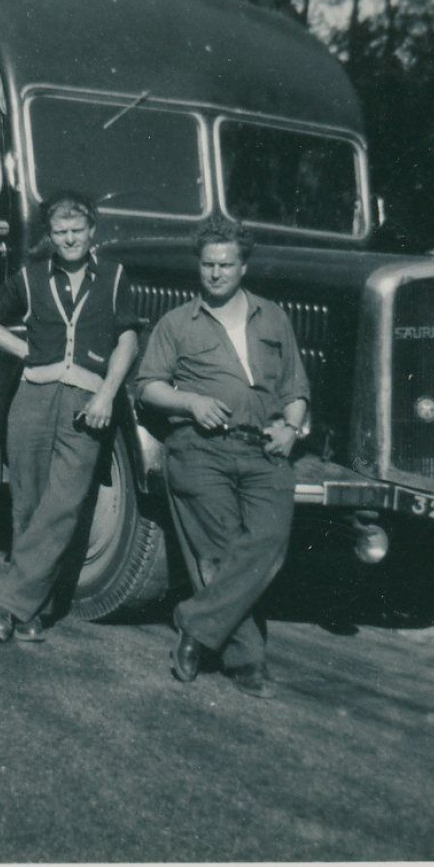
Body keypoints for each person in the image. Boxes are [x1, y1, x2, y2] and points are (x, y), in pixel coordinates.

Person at [136, 217, 310, 699]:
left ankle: (194, 624)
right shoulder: (176, 324)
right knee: (220, 550)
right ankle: (247, 662)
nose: (215, 274)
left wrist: (291, 427)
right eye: (208, 265)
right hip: (200, 449)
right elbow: (147, 387)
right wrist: (190, 402)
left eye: (225, 265)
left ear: (243, 266)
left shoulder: (274, 318)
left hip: (265, 449)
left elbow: (297, 388)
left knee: (269, 542)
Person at [0, 191, 141, 643]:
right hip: (33, 399)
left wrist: (107, 394)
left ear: (92, 232)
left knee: (62, 508)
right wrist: (24, 350)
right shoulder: (30, 278)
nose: (69, 239)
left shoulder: (115, 277)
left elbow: (128, 341)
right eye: (60, 232)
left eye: (77, 231)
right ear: (50, 235)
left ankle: (7, 606)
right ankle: (34, 612)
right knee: (26, 506)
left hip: (87, 406)